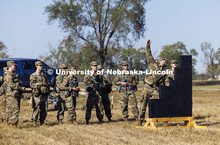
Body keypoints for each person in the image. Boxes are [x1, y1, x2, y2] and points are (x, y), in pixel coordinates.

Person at [137, 40, 167, 126]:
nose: (164, 62)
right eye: (163, 60)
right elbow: (148, 54)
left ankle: (163, 120)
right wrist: (147, 46)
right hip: (147, 87)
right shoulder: (152, 63)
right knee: (143, 106)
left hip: (155, 89)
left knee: (160, 104)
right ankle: (140, 122)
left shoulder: (164, 73)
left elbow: (164, 83)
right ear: (160, 61)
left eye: (166, 62)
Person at [5, 61, 25, 128]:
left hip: (16, 94)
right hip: (11, 95)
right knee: (14, 109)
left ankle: (11, 123)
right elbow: (11, 85)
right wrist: (20, 88)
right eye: (14, 65)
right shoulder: (9, 75)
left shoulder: (15, 74)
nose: (16, 67)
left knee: (13, 109)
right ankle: (13, 124)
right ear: (10, 66)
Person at [30, 61, 50, 126]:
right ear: (36, 66)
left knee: (44, 109)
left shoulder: (44, 75)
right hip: (37, 94)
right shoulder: (33, 75)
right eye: (40, 65)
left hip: (44, 94)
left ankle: (42, 121)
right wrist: (41, 84)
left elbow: (48, 83)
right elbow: (32, 85)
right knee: (37, 108)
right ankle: (34, 121)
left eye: (42, 66)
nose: (41, 67)